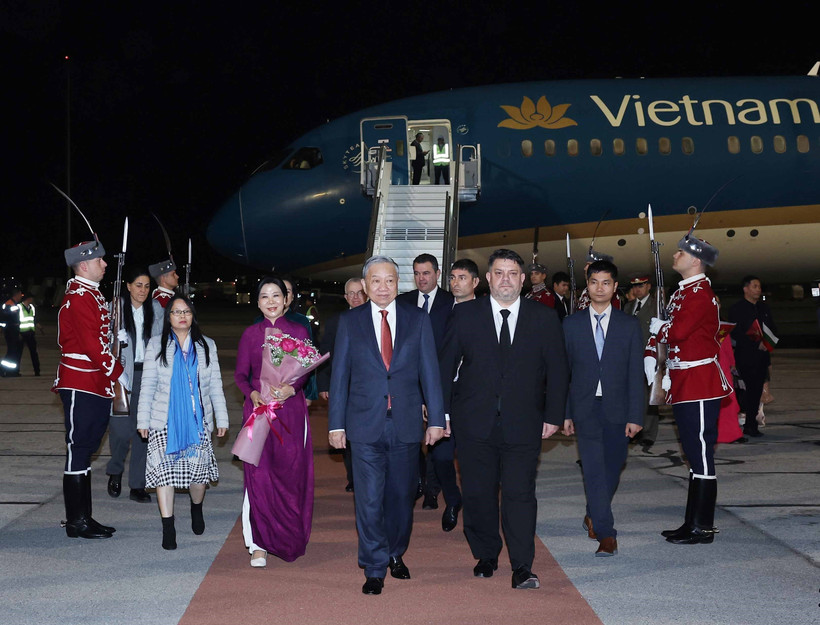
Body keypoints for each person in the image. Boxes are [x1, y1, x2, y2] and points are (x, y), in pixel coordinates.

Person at [439, 248, 569, 589]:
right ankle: (485, 553)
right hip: (473, 423)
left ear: (523, 279)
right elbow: (446, 367)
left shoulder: (543, 318)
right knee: (479, 493)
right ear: (489, 278)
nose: (506, 279)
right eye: (499, 273)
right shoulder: (466, 315)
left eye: (513, 273)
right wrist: (443, 413)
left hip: (524, 423)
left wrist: (555, 415)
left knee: (519, 494)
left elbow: (558, 369)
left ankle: (522, 565)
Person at [328, 255, 445, 595]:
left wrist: (436, 419)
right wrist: (336, 424)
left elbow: (430, 373)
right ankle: (375, 565)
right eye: (375, 281)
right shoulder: (349, 323)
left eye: (389, 280)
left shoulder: (417, 319)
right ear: (364, 286)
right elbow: (340, 378)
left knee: (400, 495)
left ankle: (396, 552)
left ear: (398, 284)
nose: (383, 287)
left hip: (406, 424)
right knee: (368, 499)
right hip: (363, 425)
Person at [646, 234, 731, 545]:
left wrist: (661, 328)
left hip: (699, 382)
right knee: (693, 454)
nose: (675, 256)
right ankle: (691, 522)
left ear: (696, 260)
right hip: (684, 382)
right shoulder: (683, 293)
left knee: (701, 454)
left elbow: (678, 331)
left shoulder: (699, 294)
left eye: (680, 253)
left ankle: (702, 526)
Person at [562, 260, 644, 557]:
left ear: (614, 287)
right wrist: (565, 412)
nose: (600, 288)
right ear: (588, 286)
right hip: (585, 409)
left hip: (618, 409)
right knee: (594, 469)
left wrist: (636, 415)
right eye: (594, 282)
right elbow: (564, 374)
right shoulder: (571, 325)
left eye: (606, 282)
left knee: (613, 466)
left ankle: (592, 513)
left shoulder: (629, 325)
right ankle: (606, 533)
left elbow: (637, 373)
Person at [137, 295, 228, 550]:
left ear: (192, 315)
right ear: (169, 318)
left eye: (186, 311)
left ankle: (196, 507)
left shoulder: (207, 345)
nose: (182, 316)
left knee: (198, 476)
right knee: (163, 474)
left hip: (198, 419)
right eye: (176, 312)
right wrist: (143, 420)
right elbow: (148, 386)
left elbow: (216, 386)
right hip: (164, 419)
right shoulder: (156, 345)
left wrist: (221, 418)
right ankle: (169, 526)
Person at [235, 277, 314, 567]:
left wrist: (293, 388)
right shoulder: (250, 334)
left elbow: (306, 369)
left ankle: (289, 537)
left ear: (287, 300)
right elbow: (240, 375)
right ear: (257, 302)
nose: (271, 301)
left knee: (290, 474)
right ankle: (258, 544)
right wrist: (253, 394)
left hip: (290, 412)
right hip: (259, 413)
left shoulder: (298, 330)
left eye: (276, 295)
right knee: (258, 476)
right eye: (265, 296)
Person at [54, 239, 125, 539]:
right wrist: (118, 372)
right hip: (81, 381)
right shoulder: (81, 298)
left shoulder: (92, 296)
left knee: (87, 448)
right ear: (84, 265)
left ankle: (84, 517)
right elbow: (92, 346)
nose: (105, 264)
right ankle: (76, 521)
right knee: (79, 449)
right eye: (100, 260)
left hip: (95, 382)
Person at [398, 253, 455, 514]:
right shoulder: (403, 302)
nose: (422, 278)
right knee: (409, 438)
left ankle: (432, 490)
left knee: (436, 438)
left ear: (437, 273)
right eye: (417, 273)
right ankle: (417, 483)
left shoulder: (451, 302)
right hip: (408, 382)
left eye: (427, 273)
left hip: (439, 381)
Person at [106, 267, 163, 503]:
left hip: (148, 374)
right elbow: (101, 338)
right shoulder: (115, 308)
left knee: (143, 432)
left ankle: (137, 484)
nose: (143, 290)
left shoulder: (156, 309)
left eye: (147, 286)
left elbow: (163, 340)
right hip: (122, 375)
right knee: (120, 430)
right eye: (138, 285)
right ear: (128, 286)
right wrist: (113, 339)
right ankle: (115, 469)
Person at [317, 278, 367, 493]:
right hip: (344, 388)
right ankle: (354, 477)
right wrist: (324, 384)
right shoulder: (336, 321)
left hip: (370, 389)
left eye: (359, 293)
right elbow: (326, 354)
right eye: (351, 293)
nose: (355, 297)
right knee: (347, 433)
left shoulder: (378, 318)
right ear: (345, 297)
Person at [728, 276, 777, 438]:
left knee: (756, 392)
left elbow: (773, 329)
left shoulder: (764, 308)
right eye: (755, 286)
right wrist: (755, 343)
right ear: (746, 289)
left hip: (762, 356)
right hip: (746, 356)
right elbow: (735, 332)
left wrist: (768, 343)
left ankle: (751, 425)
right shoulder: (737, 309)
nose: (758, 289)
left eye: (759, 286)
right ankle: (741, 424)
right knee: (745, 392)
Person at [623, 275, 658, 450]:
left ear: (648, 286)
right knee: (632, 396)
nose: (637, 289)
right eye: (635, 286)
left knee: (649, 397)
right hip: (630, 357)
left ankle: (648, 434)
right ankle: (632, 431)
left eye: (641, 286)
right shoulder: (629, 307)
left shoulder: (656, 307)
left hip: (649, 357)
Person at [282, 278, 319, 403]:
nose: (283, 295)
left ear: (293, 296)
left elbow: (309, 356)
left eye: (287, 291)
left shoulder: (301, 321)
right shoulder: (260, 321)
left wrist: (310, 392)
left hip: (295, 389)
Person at [1, 288, 23, 377]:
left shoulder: (14, 304)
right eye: (20, 295)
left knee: (14, 351)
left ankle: (12, 371)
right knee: (11, 351)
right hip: (10, 330)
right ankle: (3, 370)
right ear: (16, 295)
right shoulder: (9, 304)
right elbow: (4, 317)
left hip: (13, 329)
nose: (21, 296)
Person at [18, 294, 41, 376]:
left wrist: (37, 325)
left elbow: (33, 318)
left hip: (30, 333)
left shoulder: (32, 307)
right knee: (18, 353)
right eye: (31, 299)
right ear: (28, 299)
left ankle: (37, 370)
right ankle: (16, 371)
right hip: (21, 333)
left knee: (34, 352)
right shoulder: (19, 307)